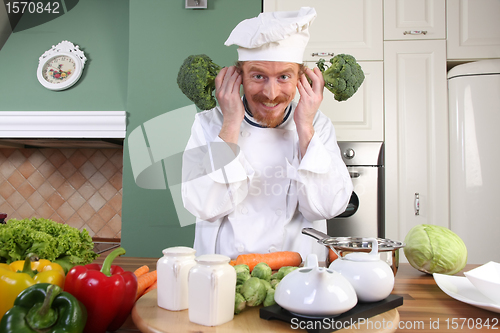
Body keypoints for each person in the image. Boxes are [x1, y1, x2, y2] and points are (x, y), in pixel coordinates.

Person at [181, 7, 353, 261]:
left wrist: (305, 127)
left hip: (298, 274)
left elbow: (326, 207)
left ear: (300, 79)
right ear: (238, 77)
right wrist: (230, 123)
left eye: (284, 77)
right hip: (225, 274)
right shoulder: (208, 124)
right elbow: (204, 206)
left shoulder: (318, 125)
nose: (271, 93)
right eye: (258, 76)